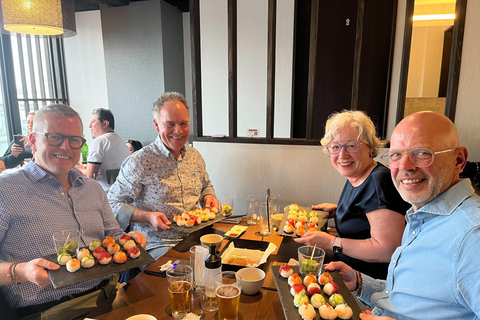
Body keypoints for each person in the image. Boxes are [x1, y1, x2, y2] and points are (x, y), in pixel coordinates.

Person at [326, 111, 480, 319]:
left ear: (459, 160)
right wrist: (361, 283)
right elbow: (408, 296)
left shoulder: (472, 236)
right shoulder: (420, 215)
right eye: (396, 155)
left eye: (422, 153)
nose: (405, 166)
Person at [0, 104, 147, 320]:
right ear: (33, 141)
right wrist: (20, 272)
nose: (66, 147)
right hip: (45, 311)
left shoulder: (92, 188)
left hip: (106, 298)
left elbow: (113, 234)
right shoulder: (5, 191)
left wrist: (128, 239)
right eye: (54, 137)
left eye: (74, 140)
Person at [295, 110, 410, 279]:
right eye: (335, 147)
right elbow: (366, 215)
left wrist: (331, 242)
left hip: (367, 284)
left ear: (370, 147)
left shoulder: (379, 182)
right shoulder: (357, 175)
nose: (342, 155)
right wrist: (341, 210)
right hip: (347, 270)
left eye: (351, 146)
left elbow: (388, 250)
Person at [108, 92, 219, 261]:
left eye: (184, 123)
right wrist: (148, 216)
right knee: (184, 272)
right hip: (158, 244)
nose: (178, 131)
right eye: (170, 124)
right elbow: (112, 204)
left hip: (196, 238)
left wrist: (208, 195)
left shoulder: (194, 156)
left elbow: (206, 185)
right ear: (156, 124)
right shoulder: (139, 161)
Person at [83, 108, 130, 191]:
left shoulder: (99, 141)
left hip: (104, 193)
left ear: (105, 124)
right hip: (121, 191)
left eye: (93, 121)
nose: (89, 125)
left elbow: (89, 175)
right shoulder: (121, 141)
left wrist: (77, 169)